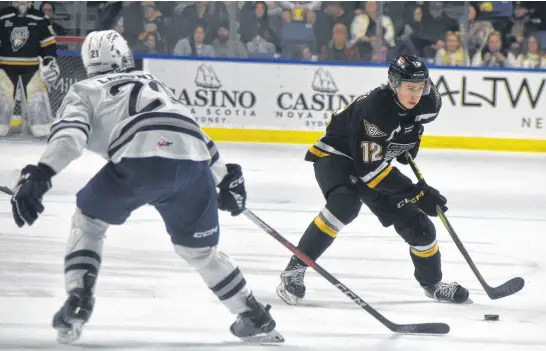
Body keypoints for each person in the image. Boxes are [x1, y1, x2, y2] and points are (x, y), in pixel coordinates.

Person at [9, 30, 283, 345]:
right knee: (200, 251)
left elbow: (71, 136)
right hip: (194, 165)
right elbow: (191, 131)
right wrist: (225, 179)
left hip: (139, 160)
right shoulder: (154, 83)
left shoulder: (83, 89)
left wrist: (43, 171)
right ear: (125, 57)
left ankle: (80, 298)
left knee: (89, 221)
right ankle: (252, 314)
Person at [277, 55, 469, 306]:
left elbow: (414, 125)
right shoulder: (375, 110)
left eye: (420, 87)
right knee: (344, 205)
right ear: (393, 83)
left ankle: (432, 284)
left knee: (419, 228)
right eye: (410, 88)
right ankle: (294, 270)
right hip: (339, 155)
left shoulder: (429, 99)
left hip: (372, 158)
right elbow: (370, 173)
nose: (416, 95)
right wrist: (415, 192)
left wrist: (408, 143)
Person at [0, 1, 60, 137]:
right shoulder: (3, 15)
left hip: (32, 67)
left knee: (36, 98)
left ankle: (42, 130)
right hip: (5, 67)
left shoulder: (40, 17)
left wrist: (49, 59)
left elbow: (48, 43)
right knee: (3, 98)